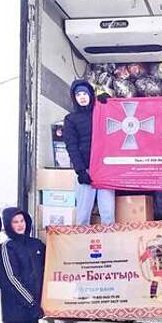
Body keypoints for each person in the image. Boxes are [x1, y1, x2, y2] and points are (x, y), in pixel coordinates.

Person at [63, 79, 115, 225]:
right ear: (74, 98)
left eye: (85, 93)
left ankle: (110, 245)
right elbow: (71, 146)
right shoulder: (70, 120)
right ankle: (81, 247)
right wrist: (80, 171)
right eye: (78, 94)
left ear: (90, 95)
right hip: (86, 171)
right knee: (83, 216)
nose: (82, 97)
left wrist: (109, 102)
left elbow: (119, 118)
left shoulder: (102, 112)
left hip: (105, 169)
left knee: (108, 215)